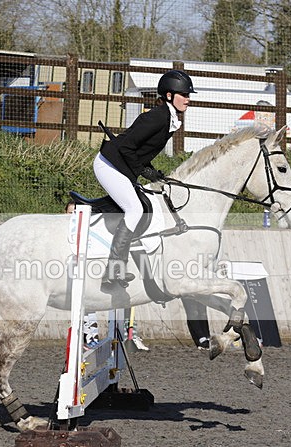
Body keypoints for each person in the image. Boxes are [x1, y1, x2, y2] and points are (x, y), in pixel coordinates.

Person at [94, 69, 195, 292]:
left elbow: (139, 151)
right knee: (135, 210)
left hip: (121, 166)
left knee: (142, 206)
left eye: (189, 95)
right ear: (169, 96)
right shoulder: (157, 117)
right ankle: (113, 270)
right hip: (108, 165)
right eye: (185, 95)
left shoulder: (168, 118)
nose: (188, 99)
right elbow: (126, 146)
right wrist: (143, 170)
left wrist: (151, 171)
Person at [65, 200, 100, 348]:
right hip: (68, 271)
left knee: (89, 307)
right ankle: (86, 338)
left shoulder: (86, 229)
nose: (72, 216)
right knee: (81, 308)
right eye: (70, 213)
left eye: (75, 212)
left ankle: (93, 337)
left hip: (85, 269)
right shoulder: (64, 229)